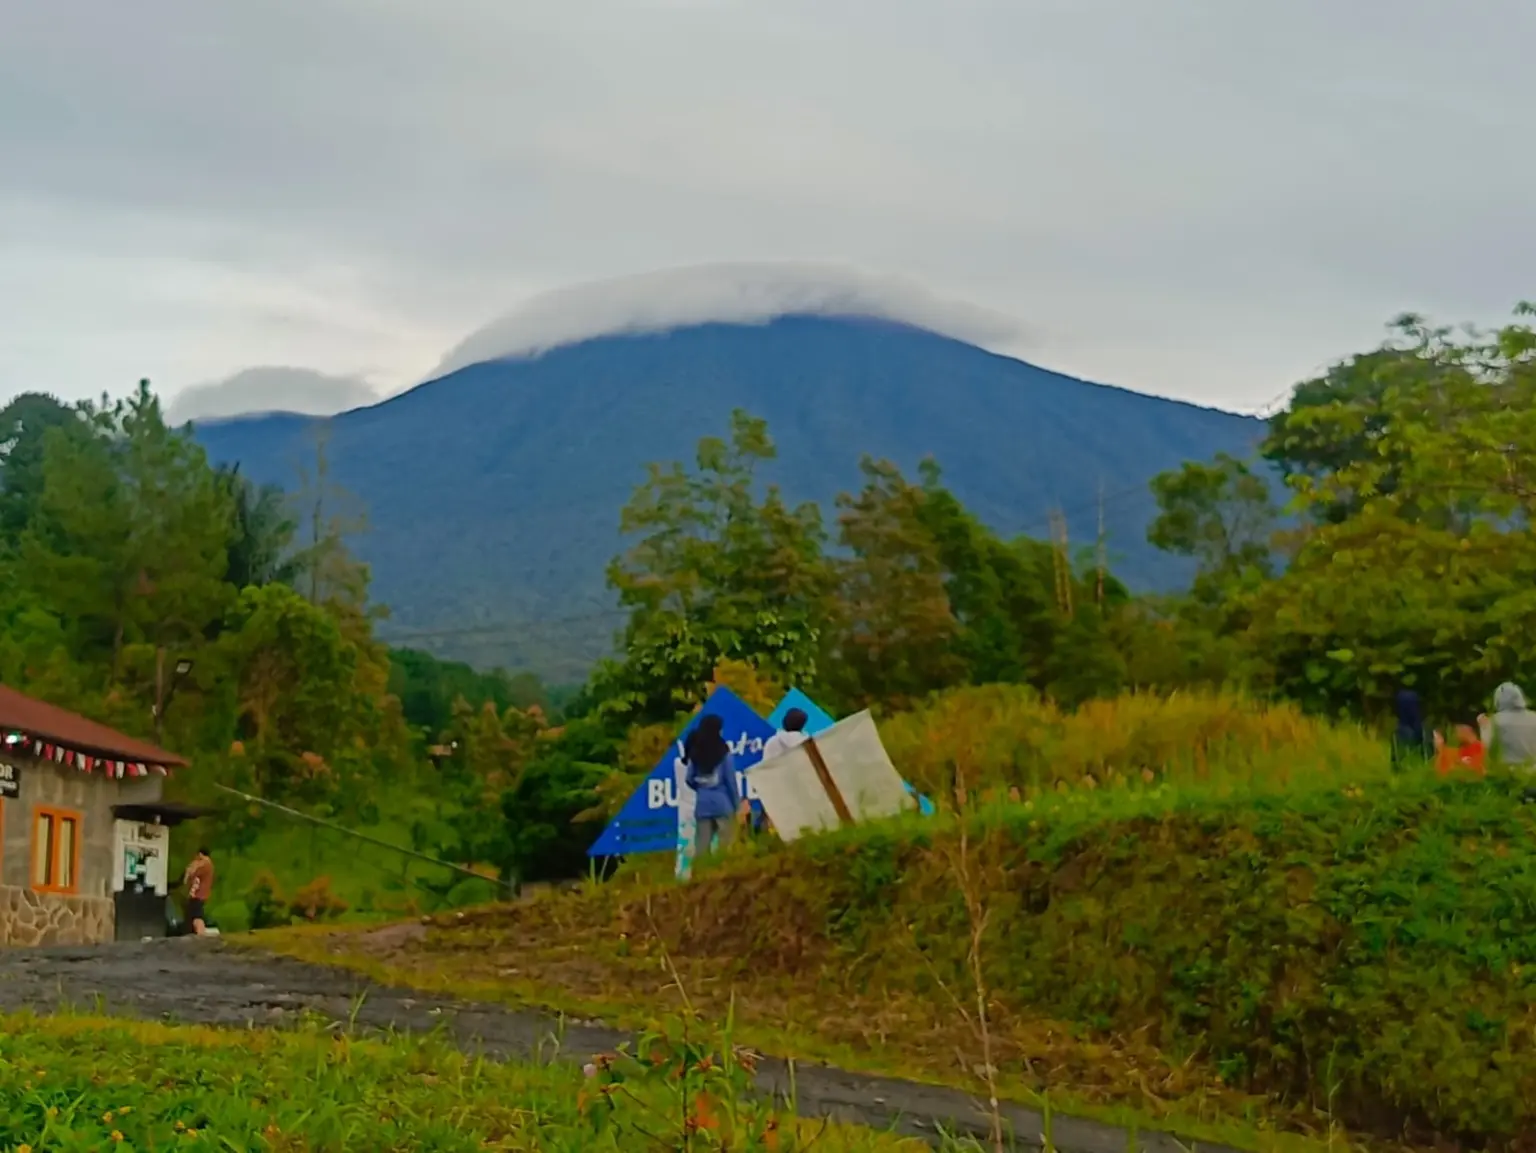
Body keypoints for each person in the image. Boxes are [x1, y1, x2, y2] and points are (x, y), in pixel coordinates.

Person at [683, 715, 742, 858]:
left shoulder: (695, 752)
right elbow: (730, 781)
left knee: (702, 847)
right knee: (726, 847)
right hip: (723, 803)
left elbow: (689, 778)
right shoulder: (724, 753)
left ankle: (701, 875)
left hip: (702, 804)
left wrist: (701, 789)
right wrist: (737, 805)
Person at [1479, 682, 1536, 771]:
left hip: (1505, 774)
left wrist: (1483, 728)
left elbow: (1487, 748)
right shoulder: (1534, 718)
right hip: (1532, 772)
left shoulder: (1494, 721)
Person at [1391, 689, 1432, 770]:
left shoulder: (1396, 733)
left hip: (1404, 774)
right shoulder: (1424, 730)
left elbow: (1395, 760)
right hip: (1423, 773)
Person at [182, 847, 215, 936]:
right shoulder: (207, 864)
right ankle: (196, 933)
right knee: (193, 914)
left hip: (199, 894)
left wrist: (191, 868)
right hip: (198, 894)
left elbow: (192, 872)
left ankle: (201, 933)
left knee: (197, 915)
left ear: (200, 854)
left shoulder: (205, 864)